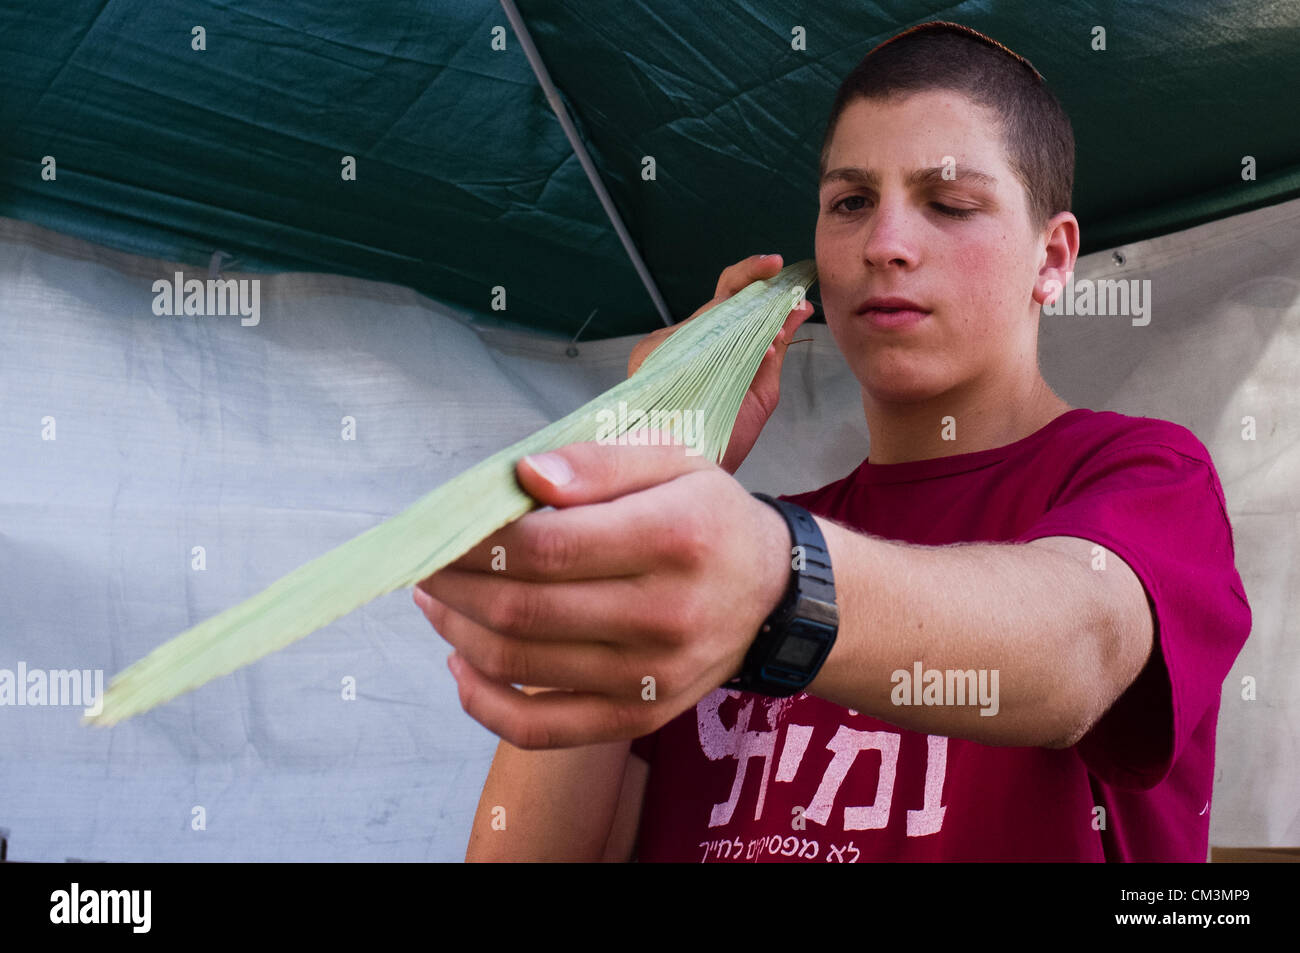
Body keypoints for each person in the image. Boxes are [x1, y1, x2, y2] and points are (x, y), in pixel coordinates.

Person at [413, 21, 1252, 862]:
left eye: (950, 203)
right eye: (850, 202)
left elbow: (1078, 652)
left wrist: (779, 584)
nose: (884, 244)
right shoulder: (720, 554)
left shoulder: (1145, 477)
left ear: (1054, 256)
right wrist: (652, 452)